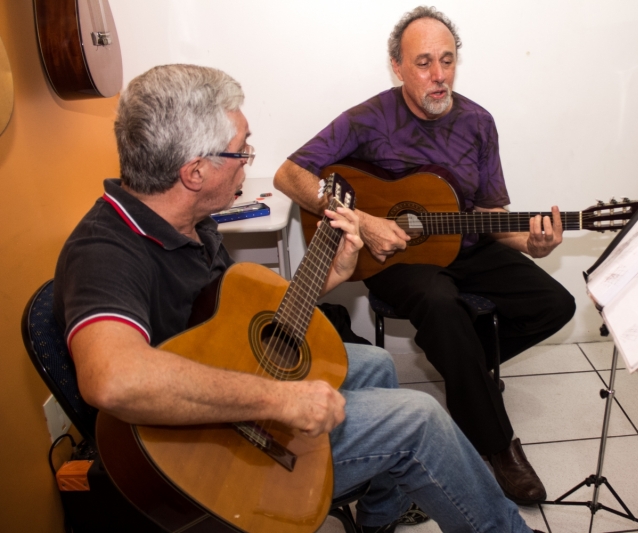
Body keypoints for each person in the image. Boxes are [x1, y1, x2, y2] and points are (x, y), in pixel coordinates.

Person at [53, 64, 538, 533]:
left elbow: (232, 320)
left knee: (376, 365)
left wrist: (329, 277)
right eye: (241, 151)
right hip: (210, 448)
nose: (249, 160)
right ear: (195, 171)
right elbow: (113, 379)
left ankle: (379, 514)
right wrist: (280, 399)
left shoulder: (192, 224)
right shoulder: (105, 249)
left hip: (230, 381)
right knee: (422, 419)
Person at [274, 6, 576, 505]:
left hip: (467, 244)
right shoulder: (368, 119)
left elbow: (488, 211)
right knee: (439, 303)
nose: (439, 76)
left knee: (555, 304)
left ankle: (467, 376)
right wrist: (366, 222)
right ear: (397, 67)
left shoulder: (478, 122)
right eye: (423, 63)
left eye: (447, 60)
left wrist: (530, 242)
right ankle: (498, 446)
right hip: (395, 258)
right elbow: (290, 174)